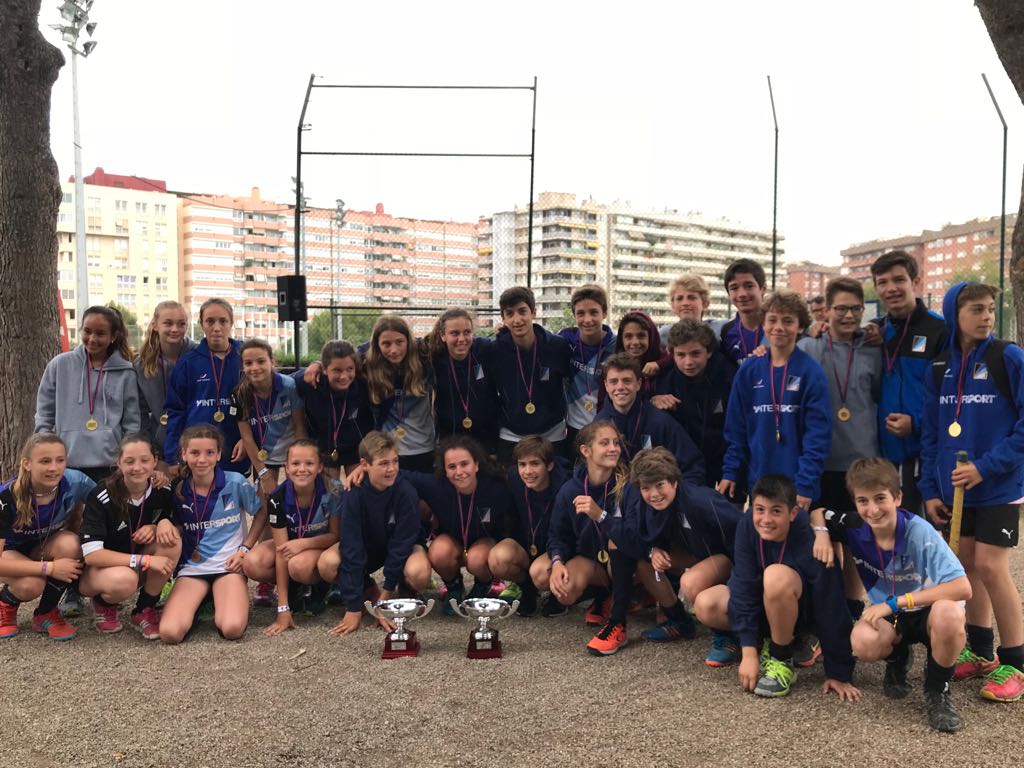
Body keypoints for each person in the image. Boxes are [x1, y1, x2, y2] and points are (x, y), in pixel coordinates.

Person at [919, 281, 1024, 703]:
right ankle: (979, 651)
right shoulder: (939, 367)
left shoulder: (1008, 357)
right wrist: (930, 488)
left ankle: (1014, 662)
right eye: (976, 310)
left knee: (991, 566)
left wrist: (986, 467)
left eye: (989, 310)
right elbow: (930, 433)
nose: (985, 317)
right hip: (954, 490)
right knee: (964, 567)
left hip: (998, 486)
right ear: (953, 314)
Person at [811, 458, 971, 731]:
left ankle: (937, 689)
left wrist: (896, 602)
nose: (872, 510)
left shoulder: (920, 531)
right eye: (863, 501)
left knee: (950, 614)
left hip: (927, 611)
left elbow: (962, 587)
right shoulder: (854, 525)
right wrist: (822, 534)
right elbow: (818, 512)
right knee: (862, 640)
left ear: (898, 497)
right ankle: (898, 657)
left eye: (880, 498)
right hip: (895, 615)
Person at [694, 475, 859, 700]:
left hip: (802, 614)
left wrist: (839, 672)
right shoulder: (747, 526)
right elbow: (743, 587)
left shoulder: (808, 535)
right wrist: (749, 652)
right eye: (759, 509)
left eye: (776, 511)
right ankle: (765, 643)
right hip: (766, 606)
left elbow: (830, 601)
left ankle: (782, 658)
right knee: (706, 604)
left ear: (792, 513)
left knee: (775, 575)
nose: (766, 519)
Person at [597, 447, 740, 657]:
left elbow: (743, 531)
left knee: (691, 582)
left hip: (728, 557)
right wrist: (652, 549)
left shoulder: (701, 501)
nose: (654, 494)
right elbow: (638, 538)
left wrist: (742, 579)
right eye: (646, 488)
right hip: (697, 553)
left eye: (660, 485)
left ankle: (726, 637)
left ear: (674, 481)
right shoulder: (647, 504)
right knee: (645, 562)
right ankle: (680, 621)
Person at [718, 290, 831, 510]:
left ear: (800, 327)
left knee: (797, 542)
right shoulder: (749, 370)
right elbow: (736, 428)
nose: (779, 327)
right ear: (763, 324)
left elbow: (817, 436)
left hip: (798, 486)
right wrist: (731, 470)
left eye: (788, 321)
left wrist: (806, 484)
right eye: (772, 320)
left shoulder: (811, 372)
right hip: (759, 481)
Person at [159, 426, 265, 644]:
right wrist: (163, 522)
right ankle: (200, 603)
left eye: (209, 453)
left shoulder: (234, 481)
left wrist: (245, 548)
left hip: (228, 567)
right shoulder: (178, 489)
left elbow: (262, 511)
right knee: (170, 634)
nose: (202, 460)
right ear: (184, 455)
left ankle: (216, 599)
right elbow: (174, 523)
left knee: (232, 629)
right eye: (195, 453)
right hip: (193, 568)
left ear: (218, 455)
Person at [865, 250, 948, 514]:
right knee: (887, 535)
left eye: (898, 280)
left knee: (925, 535)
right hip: (883, 456)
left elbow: (953, 395)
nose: (891, 288)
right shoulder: (874, 331)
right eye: (883, 282)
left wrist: (916, 422)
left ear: (916, 282)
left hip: (926, 455)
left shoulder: (941, 331)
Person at [326, 431, 430, 636]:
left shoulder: (406, 492)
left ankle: (405, 587)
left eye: (395, 461)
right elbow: (351, 546)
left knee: (419, 572)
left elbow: (401, 545)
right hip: (368, 549)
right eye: (383, 463)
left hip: (400, 549)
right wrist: (353, 607)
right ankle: (366, 588)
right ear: (364, 465)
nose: (392, 469)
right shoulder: (354, 493)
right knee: (327, 563)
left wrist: (385, 598)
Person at [78, 434, 181, 639]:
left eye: (144, 460)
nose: (137, 467)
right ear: (118, 463)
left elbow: (180, 524)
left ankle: (144, 609)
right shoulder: (102, 495)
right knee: (125, 580)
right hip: (99, 571)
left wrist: (160, 524)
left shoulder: (163, 489)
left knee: (172, 540)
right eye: (129, 461)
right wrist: (145, 560)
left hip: (136, 564)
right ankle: (103, 603)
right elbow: (92, 555)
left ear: (154, 461)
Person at [797, 277, 882, 514]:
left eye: (856, 309)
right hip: (820, 461)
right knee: (822, 538)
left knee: (860, 536)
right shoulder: (808, 347)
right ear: (826, 310)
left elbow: (877, 394)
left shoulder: (874, 348)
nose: (849, 316)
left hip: (862, 461)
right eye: (841, 308)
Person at [238, 440, 341, 634]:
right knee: (253, 563)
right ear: (286, 467)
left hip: (320, 545)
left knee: (298, 566)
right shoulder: (278, 497)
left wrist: (302, 544)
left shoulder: (333, 490)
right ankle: (293, 589)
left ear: (319, 467)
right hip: (290, 547)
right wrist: (282, 609)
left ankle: (321, 587)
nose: (302, 469)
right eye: (295, 464)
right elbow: (281, 551)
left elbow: (335, 536)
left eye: (309, 463)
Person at [0, 434, 94, 640]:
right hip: (10, 553)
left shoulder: (76, 482)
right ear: (27, 464)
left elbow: (111, 497)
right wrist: (49, 568)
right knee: (31, 584)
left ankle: (46, 612)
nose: (53, 468)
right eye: (45, 461)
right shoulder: (5, 498)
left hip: (43, 546)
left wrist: (155, 480)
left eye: (60, 460)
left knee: (72, 544)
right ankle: (5, 603)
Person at [404, 435, 510, 613]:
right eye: (452, 467)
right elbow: (399, 474)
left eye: (464, 464)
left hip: (484, 544)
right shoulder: (436, 485)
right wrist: (363, 469)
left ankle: (483, 585)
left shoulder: (496, 487)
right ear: (444, 470)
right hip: (452, 541)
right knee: (438, 552)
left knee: (476, 559)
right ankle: (454, 587)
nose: (459, 472)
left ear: (476, 465)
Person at [35, 304, 140, 482]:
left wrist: (128, 458)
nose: (92, 339)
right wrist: (46, 451)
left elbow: (132, 422)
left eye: (100, 334)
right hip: (66, 463)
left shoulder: (126, 372)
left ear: (113, 337)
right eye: (87, 331)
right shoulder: (59, 365)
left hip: (110, 465)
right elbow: (45, 413)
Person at [541, 422, 620, 645]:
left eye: (616, 443)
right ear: (586, 451)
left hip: (626, 559)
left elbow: (634, 534)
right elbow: (557, 535)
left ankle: (626, 600)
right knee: (560, 588)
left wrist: (601, 515)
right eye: (604, 443)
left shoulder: (626, 485)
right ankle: (601, 594)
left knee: (618, 547)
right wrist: (557, 562)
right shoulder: (570, 490)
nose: (613, 448)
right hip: (591, 561)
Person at [163, 297, 248, 474]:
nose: (216, 328)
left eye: (223, 321)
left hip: (237, 450)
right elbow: (175, 411)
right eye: (210, 321)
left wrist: (249, 440)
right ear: (201, 323)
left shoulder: (246, 358)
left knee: (234, 498)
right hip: (199, 454)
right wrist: (172, 455)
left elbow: (262, 403)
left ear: (231, 323)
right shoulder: (187, 363)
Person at [652, 319, 738, 490]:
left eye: (695, 354)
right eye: (681, 355)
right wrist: (653, 400)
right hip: (688, 462)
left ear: (709, 352)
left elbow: (738, 426)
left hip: (726, 457)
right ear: (672, 354)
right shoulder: (666, 381)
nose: (688, 362)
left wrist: (731, 470)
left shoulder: (728, 375)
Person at [489, 436, 570, 616]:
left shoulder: (565, 486)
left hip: (557, 550)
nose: (527, 471)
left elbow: (567, 533)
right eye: (522, 464)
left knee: (540, 573)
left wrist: (559, 557)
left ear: (549, 465)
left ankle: (557, 597)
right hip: (528, 546)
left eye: (535, 464)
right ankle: (527, 589)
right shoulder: (514, 480)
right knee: (498, 558)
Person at [492, 286, 572, 464]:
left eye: (522, 312)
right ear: (503, 318)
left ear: (533, 313)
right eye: (510, 314)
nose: (517, 319)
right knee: (511, 485)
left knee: (555, 485)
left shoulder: (556, 346)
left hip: (552, 433)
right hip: (512, 434)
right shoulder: (495, 350)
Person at [596, 353, 704, 483]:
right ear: (606, 386)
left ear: (638, 384)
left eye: (627, 381)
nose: (620, 387)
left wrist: (675, 497)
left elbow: (693, 467)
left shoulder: (661, 422)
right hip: (614, 499)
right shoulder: (598, 426)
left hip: (656, 497)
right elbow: (590, 472)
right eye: (614, 382)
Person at [231, 339, 306, 498]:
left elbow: (300, 427)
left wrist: (299, 461)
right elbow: (247, 438)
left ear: (272, 362)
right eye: (248, 363)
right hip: (264, 455)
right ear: (243, 367)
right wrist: (263, 474)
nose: (255, 368)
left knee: (297, 499)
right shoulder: (240, 394)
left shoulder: (288, 386)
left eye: (261, 361)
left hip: (291, 453)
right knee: (266, 505)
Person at [364, 315, 436, 473]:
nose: (394, 350)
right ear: (376, 345)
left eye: (399, 342)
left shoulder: (424, 358)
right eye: (386, 344)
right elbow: (339, 359)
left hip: (423, 447)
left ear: (408, 342)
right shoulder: (368, 363)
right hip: (387, 450)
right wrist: (316, 365)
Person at [294, 341, 375, 479]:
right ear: (324, 369)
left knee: (359, 489)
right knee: (330, 494)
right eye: (337, 370)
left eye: (350, 369)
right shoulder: (309, 382)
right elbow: (278, 382)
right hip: (325, 447)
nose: (343, 376)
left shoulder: (364, 383)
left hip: (357, 448)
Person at [427, 309, 501, 453]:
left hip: (487, 439)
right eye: (454, 333)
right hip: (451, 438)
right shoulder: (434, 358)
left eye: (467, 332)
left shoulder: (484, 349)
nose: (462, 339)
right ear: (443, 335)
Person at [134, 300, 196, 464]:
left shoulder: (199, 356)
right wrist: (150, 452)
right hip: (159, 449)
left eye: (181, 324)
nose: (175, 329)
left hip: (196, 446)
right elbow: (140, 413)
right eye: (168, 323)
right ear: (155, 325)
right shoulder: (142, 364)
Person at [559, 285, 617, 443]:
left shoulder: (617, 345)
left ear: (604, 312)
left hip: (607, 425)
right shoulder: (565, 340)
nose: (587, 320)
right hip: (574, 426)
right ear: (574, 315)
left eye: (594, 312)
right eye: (581, 313)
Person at [718, 259, 767, 364]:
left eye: (749, 286)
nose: (742, 294)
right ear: (728, 294)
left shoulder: (778, 328)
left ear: (763, 289)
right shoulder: (727, 332)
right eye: (734, 288)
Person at [658, 274, 722, 347]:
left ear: (705, 304)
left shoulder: (720, 330)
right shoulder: (664, 335)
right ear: (673, 306)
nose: (685, 303)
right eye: (679, 298)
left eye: (692, 298)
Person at [614, 310, 665, 400]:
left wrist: (660, 364)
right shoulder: (613, 367)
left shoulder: (664, 365)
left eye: (641, 336)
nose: (635, 342)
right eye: (628, 336)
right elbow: (603, 405)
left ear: (651, 337)